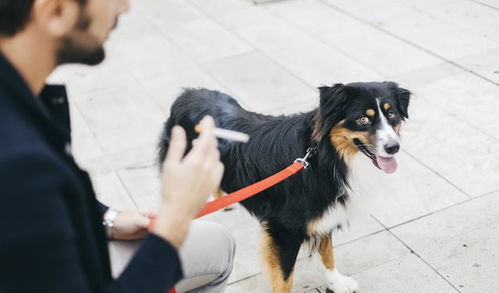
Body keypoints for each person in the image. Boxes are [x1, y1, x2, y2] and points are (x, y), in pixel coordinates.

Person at [0, 0, 235, 292]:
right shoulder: (20, 167)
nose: (124, 7)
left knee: (216, 243)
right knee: (216, 248)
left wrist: (107, 219)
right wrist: (175, 218)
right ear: (56, 11)